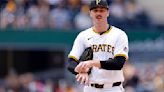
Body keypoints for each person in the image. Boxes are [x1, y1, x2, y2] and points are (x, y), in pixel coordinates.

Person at [67, 0, 129, 92]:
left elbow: (118, 63)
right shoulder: (83, 36)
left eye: (102, 10)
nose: (98, 13)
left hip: (113, 88)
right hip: (90, 88)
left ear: (107, 13)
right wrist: (80, 70)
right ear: (90, 13)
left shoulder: (119, 35)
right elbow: (71, 62)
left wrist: (91, 63)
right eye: (95, 10)